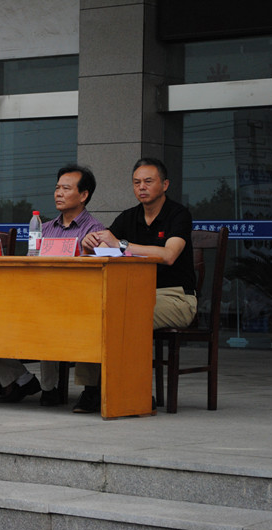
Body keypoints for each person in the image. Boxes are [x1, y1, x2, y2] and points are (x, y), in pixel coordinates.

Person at [78, 157, 196, 413]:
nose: (142, 187)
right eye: (136, 182)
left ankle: (136, 391)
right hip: (135, 295)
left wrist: (121, 244)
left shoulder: (178, 215)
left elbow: (169, 255)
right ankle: (92, 390)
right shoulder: (128, 217)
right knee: (95, 314)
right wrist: (90, 244)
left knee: (129, 315)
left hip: (176, 298)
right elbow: (104, 246)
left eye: (148, 181)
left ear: (165, 185)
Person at [0, 165, 106, 405]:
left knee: (46, 315)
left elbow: (96, 274)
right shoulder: (44, 228)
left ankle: (49, 388)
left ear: (83, 195)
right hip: (37, 296)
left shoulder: (95, 231)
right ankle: (21, 379)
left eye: (66, 188)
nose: (58, 193)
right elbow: (30, 267)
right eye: (57, 188)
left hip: (73, 303)